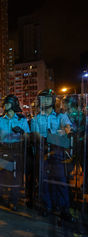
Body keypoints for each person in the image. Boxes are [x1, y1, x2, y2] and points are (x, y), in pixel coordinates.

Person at [31, 89, 72, 219]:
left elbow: (67, 129)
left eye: (48, 98)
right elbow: (36, 135)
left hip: (58, 151)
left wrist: (62, 132)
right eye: (43, 98)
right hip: (43, 151)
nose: (46, 101)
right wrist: (50, 137)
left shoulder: (61, 116)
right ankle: (46, 206)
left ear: (53, 100)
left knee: (61, 180)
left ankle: (64, 209)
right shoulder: (36, 118)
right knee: (44, 181)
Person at [0, 95, 30, 211]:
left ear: (13, 104)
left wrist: (22, 131)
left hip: (16, 150)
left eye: (7, 103)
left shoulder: (21, 119)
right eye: (4, 104)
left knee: (16, 177)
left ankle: (13, 201)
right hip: (3, 150)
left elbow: (27, 137)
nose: (5, 106)